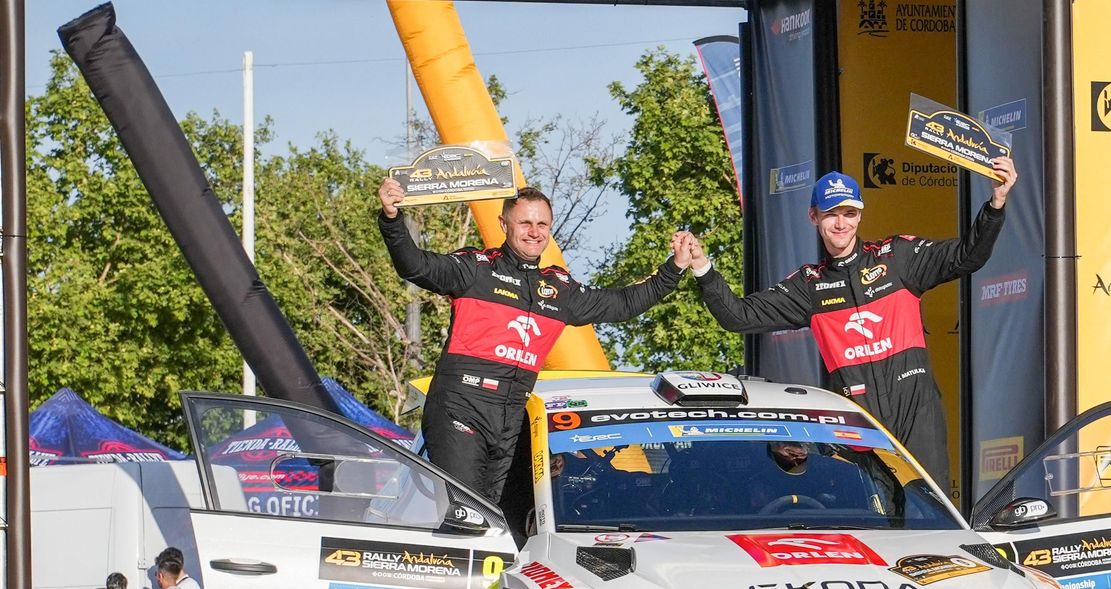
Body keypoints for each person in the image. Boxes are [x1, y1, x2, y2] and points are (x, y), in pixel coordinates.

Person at [683, 159, 1018, 502]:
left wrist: (996, 203)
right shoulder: (809, 286)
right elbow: (738, 317)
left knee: (929, 519)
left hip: (916, 416)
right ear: (814, 217)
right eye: (831, 214)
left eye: (849, 212)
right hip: (859, 427)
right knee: (876, 529)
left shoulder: (897, 258)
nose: (840, 223)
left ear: (860, 215)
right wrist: (702, 268)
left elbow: (968, 255)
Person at [377, 180, 693, 512]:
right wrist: (391, 217)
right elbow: (414, 265)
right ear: (504, 224)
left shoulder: (558, 289)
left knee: (511, 525)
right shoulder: (475, 269)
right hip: (461, 406)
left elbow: (623, 304)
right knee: (469, 517)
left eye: (542, 224)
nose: (534, 231)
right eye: (525, 222)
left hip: (513, 415)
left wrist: (675, 268)